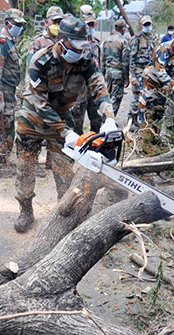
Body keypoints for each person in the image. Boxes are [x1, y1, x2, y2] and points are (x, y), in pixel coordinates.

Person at [14, 14, 118, 233]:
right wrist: (66, 132)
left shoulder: (85, 59)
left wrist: (108, 116)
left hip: (62, 117)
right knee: (25, 168)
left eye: (83, 46)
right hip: (32, 119)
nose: (80, 51)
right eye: (75, 46)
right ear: (62, 41)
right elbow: (38, 102)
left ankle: (65, 213)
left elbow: (98, 85)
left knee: (65, 172)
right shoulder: (39, 60)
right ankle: (26, 211)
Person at [0, 8, 26, 179]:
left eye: (20, 25)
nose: (19, 27)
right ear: (7, 22)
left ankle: (6, 158)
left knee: (9, 127)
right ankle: (1, 164)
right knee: (2, 127)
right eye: (16, 24)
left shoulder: (10, 41)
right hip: (3, 92)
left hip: (9, 92)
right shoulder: (1, 42)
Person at [27, 5, 64, 175]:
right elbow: (30, 70)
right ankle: (33, 162)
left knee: (55, 126)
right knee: (36, 129)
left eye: (60, 21)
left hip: (57, 92)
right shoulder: (38, 42)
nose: (57, 24)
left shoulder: (63, 42)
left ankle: (52, 160)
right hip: (40, 93)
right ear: (46, 22)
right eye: (54, 21)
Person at [140, 39, 174, 131]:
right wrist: (173, 84)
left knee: (160, 111)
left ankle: (155, 138)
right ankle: (144, 135)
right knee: (147, 110)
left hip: (164, 84)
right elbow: (159, 70)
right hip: (151, 82)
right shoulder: (164, 48)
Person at [71, 6, 103, 133]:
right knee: (77, 121)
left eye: (92, 24)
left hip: (93, 88)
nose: (90, 27)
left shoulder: (96, 44)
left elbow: (100, 66)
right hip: (79, 89)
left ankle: (94, 146)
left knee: (97, 120)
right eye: (88, 24)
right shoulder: (76, 43)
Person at [129, 15, 156, 129]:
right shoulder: (136, 39)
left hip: (149, 70)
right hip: (139, 70)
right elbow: (132, 57)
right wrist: (133, 76)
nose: (147, 26)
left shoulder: (152, 38)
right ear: (141, 25)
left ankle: (143, 120)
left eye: (149, 24)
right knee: (136, 96)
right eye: (145, 24)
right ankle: (131, 120)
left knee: (148, 96)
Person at [100, 18, 130, 115]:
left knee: (108, 97)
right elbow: (125, 61)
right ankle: (109, 119)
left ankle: (106, 116)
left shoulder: (106, 40)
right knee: (116, 98)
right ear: (123, 28)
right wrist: (126, 78)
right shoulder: (123, 41)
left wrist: (102, 73)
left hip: (108, 72)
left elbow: (103, 58)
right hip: (118, 73)